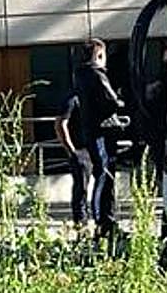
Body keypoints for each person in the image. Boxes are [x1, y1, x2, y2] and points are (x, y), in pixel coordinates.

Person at [74, 38, 128, 240]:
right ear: (98, 55)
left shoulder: (80, 76)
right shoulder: (96, 75)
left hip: (93, 131)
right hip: (101, 132)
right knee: (104, 175)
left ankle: (106, 221)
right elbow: (111, 101)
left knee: (104, 176)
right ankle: (103, 222)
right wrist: (121, 102)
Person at [54, 89, 92, 227]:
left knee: (88, 185)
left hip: (90, 146)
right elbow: (60, 124)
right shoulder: (72, 99)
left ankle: (89, 218)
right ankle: (80, 221)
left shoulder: (88, 97)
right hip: (79, 149)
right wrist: (71, 150)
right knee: (81, 186)